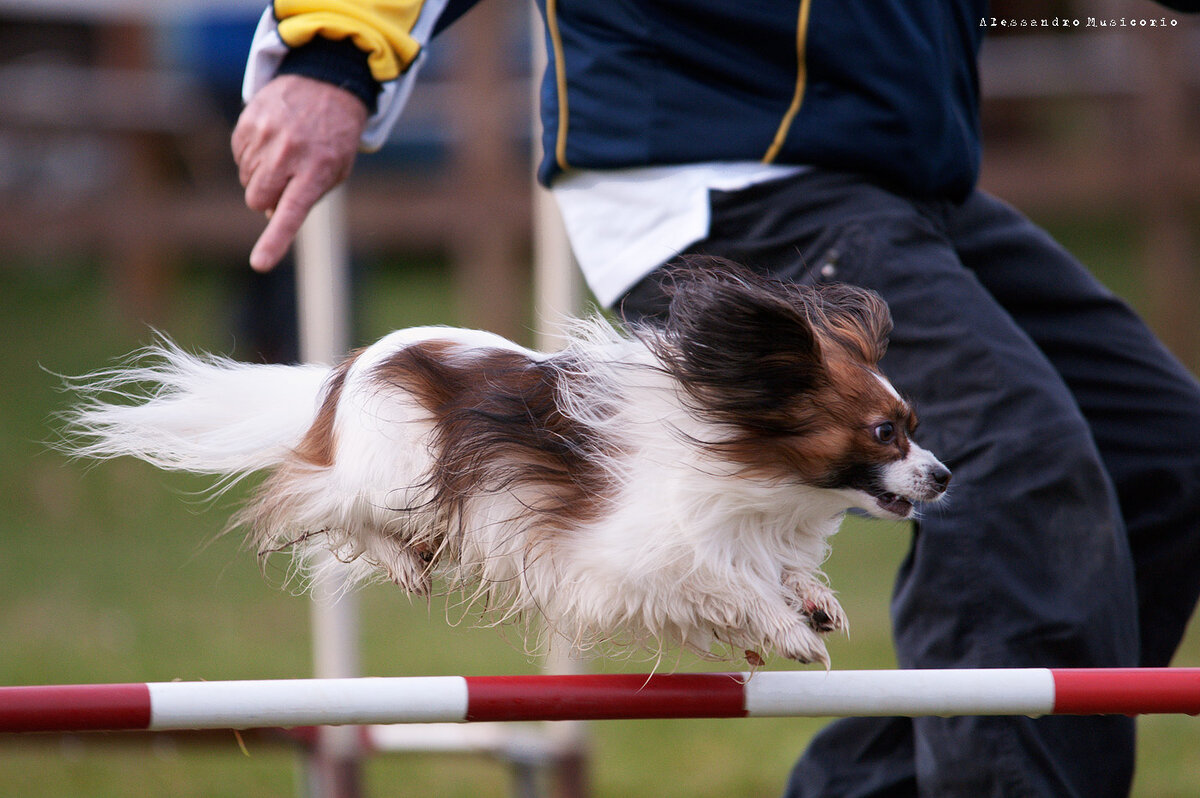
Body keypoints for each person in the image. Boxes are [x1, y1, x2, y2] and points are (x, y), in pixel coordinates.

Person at [231, 2, 1200, 795]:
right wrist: (336, 52)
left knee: (1161, 446)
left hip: (906, 180)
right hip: (722, 165)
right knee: (1015, 461)